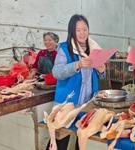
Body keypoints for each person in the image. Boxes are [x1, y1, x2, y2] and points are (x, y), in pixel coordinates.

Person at [49, 14, 105, 150]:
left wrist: (101, 70)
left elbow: (100, 77)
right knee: (60, 140)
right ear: (72, 31)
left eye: (84, 29)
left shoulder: (94, 50)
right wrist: (77, 65)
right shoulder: (64, 49)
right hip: (67, 105)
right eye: (78, 30)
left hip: (86, 104)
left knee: (81, 138)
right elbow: (56, 72)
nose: (82, 33)